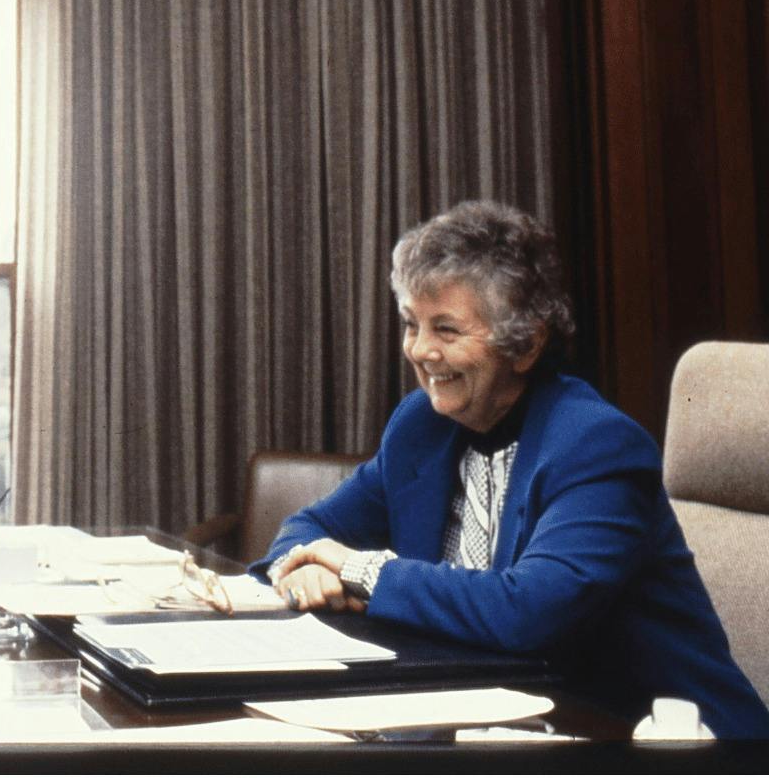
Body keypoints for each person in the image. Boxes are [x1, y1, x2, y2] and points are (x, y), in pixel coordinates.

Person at [251, 200, 769, 739]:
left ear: (524, 343)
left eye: (447, 330)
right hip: (485, 724)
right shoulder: (419, 428)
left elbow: (528, 611)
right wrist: (306, 568)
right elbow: (304, 532)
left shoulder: (597, 446)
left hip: (660, 744)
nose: (421, 351)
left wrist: (359, 570)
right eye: (411, 324)